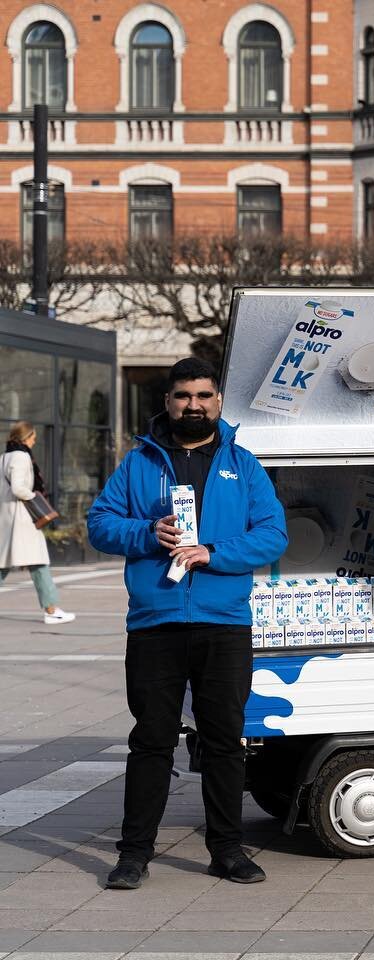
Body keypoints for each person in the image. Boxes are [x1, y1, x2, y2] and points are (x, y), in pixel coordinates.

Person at [87, 357, 287, 890]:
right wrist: (147, 533)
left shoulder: (243, 465)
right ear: (168, 402)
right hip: (155, 623)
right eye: (183, 396)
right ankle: (134, 855)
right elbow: (100, 525)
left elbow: (272, 536)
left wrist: (212, 552)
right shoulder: (138, 464)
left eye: (203, 396)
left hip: (224, 623)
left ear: (218, 402)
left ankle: (227, 849)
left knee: (224, 741)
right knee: (151, 740)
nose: (193, 405)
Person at [1, 422, 73, 624]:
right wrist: (34, 496)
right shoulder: (22, 456)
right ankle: (51, 611)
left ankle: (52, 609)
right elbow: (18, 488)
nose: (35, 440)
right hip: (23, 519)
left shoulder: (4, 457)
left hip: (8, 518)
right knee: (39, 563)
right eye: (33, 437)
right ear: (26, 437)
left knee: (4, 565)